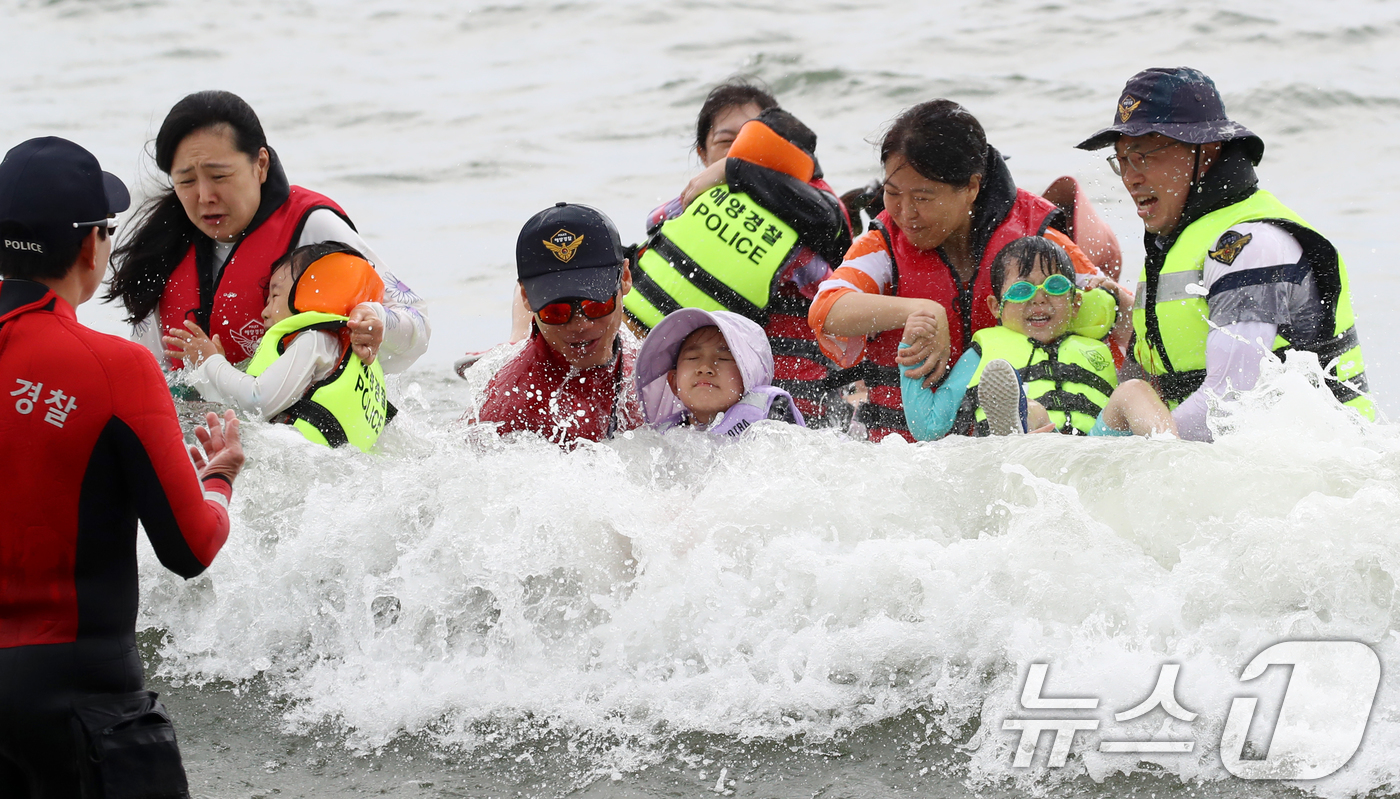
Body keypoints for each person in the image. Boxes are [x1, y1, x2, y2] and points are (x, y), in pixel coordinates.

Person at [0, 137, 245, 797]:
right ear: (91, 245)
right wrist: (218, 479)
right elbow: (189, 547)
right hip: (85, 703)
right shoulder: (115, 368)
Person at [1076, 67, 1372, 440]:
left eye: (1143, 156)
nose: (1130, 178)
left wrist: (1124, 454)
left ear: (1207, 151)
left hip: (1322, 462)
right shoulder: (1172, 252)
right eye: (1122, 161)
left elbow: (1230, 403)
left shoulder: (1251, 246)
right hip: (1221, 458)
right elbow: (1147, 383)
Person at [808, 99, 1114, 442]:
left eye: (923, 198)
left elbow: (1113, 305)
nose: (906, 213)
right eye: (892, 194)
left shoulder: (1034, 238)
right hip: (901, 452)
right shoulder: (884, 244)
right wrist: (920, 310)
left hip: (1018, 445)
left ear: (971, 187)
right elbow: (826, 309)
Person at [106, 90, 429, 375]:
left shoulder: (312, 227)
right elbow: (149, 370)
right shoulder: (161, 251)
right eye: (186, 181)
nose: (204, 196)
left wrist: (375, 321)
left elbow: (417, 320)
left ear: (260, 164)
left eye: (219, 176)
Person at [622, 87, 852, 428]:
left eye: (742, 143)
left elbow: (654, 221)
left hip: (768, 390)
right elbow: (830, 286)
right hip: (708, 385)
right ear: (703, 153)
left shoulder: (691, 203)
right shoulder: (798, 240)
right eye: (725, 142)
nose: (736, 155)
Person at [900, 236, 1174, 440]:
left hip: (1097, 450)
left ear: (1076, 303)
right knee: (1033, 411)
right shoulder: (982, 354)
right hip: (1036, 455)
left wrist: (1117, 298)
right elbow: (929, 426)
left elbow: (1154, 350)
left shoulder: (1095, 346)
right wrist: (911, 347)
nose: (1039, 298)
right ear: (996, 307)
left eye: (1055, 286)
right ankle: (1013, 429)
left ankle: (1173, 458)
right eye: (1022, 290)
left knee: (1134, 390)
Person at [165, 242, 396, 452]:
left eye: (274, 295)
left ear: (313, 290)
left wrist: (211, 362)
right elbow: (237, 410)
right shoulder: (346, 353)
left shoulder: (315, 340)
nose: (264, 312)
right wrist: (208, 372)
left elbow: (257, 402)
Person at [471, 203, 645, 446]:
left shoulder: (654, 366)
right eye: (556, 312)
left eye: (595, 305)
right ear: (526, 297)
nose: (580, 325)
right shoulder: (510, 413)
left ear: (625, 278)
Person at [634, 308, 805, 438]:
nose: (705, 367)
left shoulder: (772, 417)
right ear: (673, 382)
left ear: (749, 375)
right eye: (693, 358)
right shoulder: (664, 437)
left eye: (724, 358)